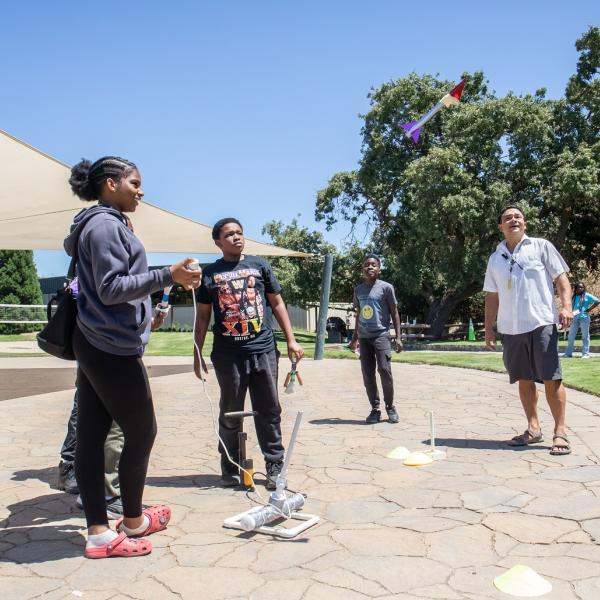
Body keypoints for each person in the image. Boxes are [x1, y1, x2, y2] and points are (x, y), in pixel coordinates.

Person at [65, 156, 201, 558]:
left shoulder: (104, 222)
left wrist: (163, 275)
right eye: (135, 183)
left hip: (94, 341)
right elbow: (111, 288)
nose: (141, 191)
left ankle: (100, 534)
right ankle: (132, 521)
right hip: (110, 346)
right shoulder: (106, 225)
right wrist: (168, 276)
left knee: (90, 437)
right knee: (142, 432)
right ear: (111, 184)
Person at [193, 218, 304, 490]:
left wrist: (291, 339)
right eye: (229, 234)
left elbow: (276, 301)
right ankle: (230, 463)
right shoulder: (209, 274)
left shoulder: (260, 266)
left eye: (240, 233)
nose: (236, 238)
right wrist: (196, 354)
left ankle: (274, 465)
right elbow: (203, 317)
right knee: (230, 411)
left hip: (263, 349)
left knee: (269, 409)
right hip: (228, 354)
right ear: (218, 241)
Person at [484, 205, 573, 456]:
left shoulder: (541, 246)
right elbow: (492, 297)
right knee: (523, 379)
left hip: (541, 322)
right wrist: (489, 329)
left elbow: (561, 279)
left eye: (518, 216)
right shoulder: (495, 258)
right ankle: (533, 429)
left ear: (525, 223)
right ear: (501, 227)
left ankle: (560, 431)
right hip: (511, 328)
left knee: (551, 378)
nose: (513, 220)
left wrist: (565, 307)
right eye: (507, 218)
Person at [349, 254, 402, 424]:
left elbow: (394, 312)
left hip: (381, 336)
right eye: (366, 265)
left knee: (385, 370)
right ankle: (375, 408)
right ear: (362, 270)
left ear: (379, 269)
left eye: (373, 265)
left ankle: (390, 407)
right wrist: (354, 338)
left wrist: (398, 337)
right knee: (368, 374)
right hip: (364, 338)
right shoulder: (358, 290)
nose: (370, 267)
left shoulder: (386, 288)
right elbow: (359, 314)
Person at [564, 282, 598, 359]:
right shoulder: (573, 297)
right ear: (576, 288)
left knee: (585, 336)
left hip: (584, 317)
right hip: (574, 318)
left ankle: (585, 354)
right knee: (571, 336)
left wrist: (589, 309)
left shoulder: (587, 295)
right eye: (578, 287)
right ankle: (568, 353)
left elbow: (597, 301)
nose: (580, 288)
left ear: (584, 288)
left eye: (582, 287)